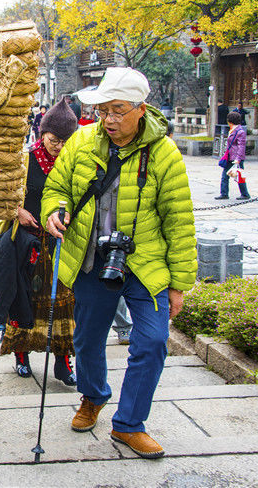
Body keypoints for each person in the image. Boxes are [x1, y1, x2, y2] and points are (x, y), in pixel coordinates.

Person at [43, 67, 197, 459]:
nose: (108, 119)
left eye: (118, 110)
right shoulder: (80, 142)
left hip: (145, 263)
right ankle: (93, 396)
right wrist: (54, 211)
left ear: (140, 110)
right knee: (87, 339)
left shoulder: (164, 154)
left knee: (153, 341)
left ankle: (129, 424)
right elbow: (56, 187)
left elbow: (179, 222)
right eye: (102, 110)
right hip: (93, 259)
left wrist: (179, 283)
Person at [0, 98, 78, 386]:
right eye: (53, 140)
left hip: (60, 244)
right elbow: (0, 194)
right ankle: (21, 355)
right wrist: (18, 211)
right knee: (23, 299)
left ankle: (63, 362)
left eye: (64, 141)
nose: (58, 146)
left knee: (62, 304)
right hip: (27, 243)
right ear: (41, 133)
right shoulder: (24, 160)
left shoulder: (73, 162)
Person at [215, 111, 250, 200]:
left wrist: (238, 158)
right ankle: (224, 193)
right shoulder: (232, 130)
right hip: (230, 157)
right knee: (225, 175)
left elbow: (241, 146)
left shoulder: (240, 131)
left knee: (239, 176)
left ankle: (245, 194)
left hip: (236, 157)